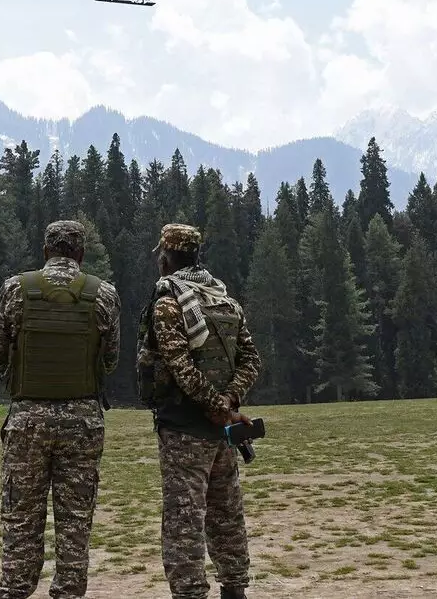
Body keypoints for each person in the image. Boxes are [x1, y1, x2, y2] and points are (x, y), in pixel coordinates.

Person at [0, 219, 120, 599]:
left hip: (27, 422)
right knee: (75, 523)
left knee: (20, 520)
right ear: (81, 254)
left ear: (46, 251)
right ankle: (69, 591)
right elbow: (110, 360)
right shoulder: (104, 294)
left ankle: (15, 589)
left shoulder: (16, 289)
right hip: (83, 424)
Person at [139, 222, 262, 599]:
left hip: (184, 429)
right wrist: (229, 403)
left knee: (184, 521)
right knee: (227, 515)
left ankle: (190, 593)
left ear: (166, 258)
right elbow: (251, 360)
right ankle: (235, 588)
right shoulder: (225, 300)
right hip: (222, 430)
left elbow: (179, 365)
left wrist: (216, 407)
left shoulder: (168, 302)